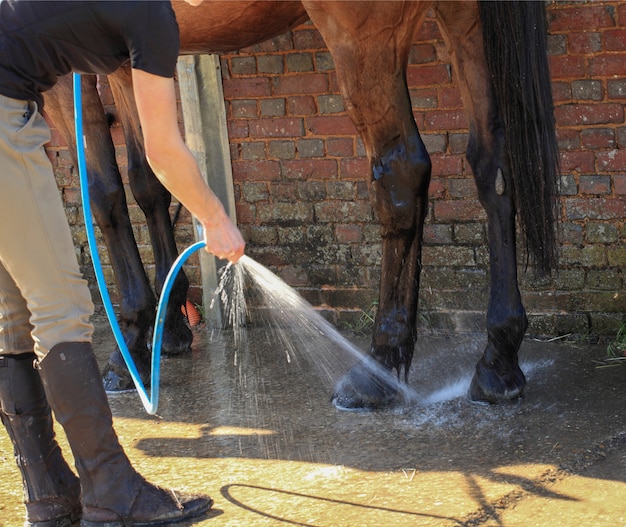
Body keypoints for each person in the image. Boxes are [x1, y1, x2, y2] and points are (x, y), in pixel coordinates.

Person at [0, 1, 245, 526]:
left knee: (13, 318)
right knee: (59, 308)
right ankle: (112, 492)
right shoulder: (153, 14)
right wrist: (215, 218)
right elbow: (161, 148)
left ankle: (49, 495)